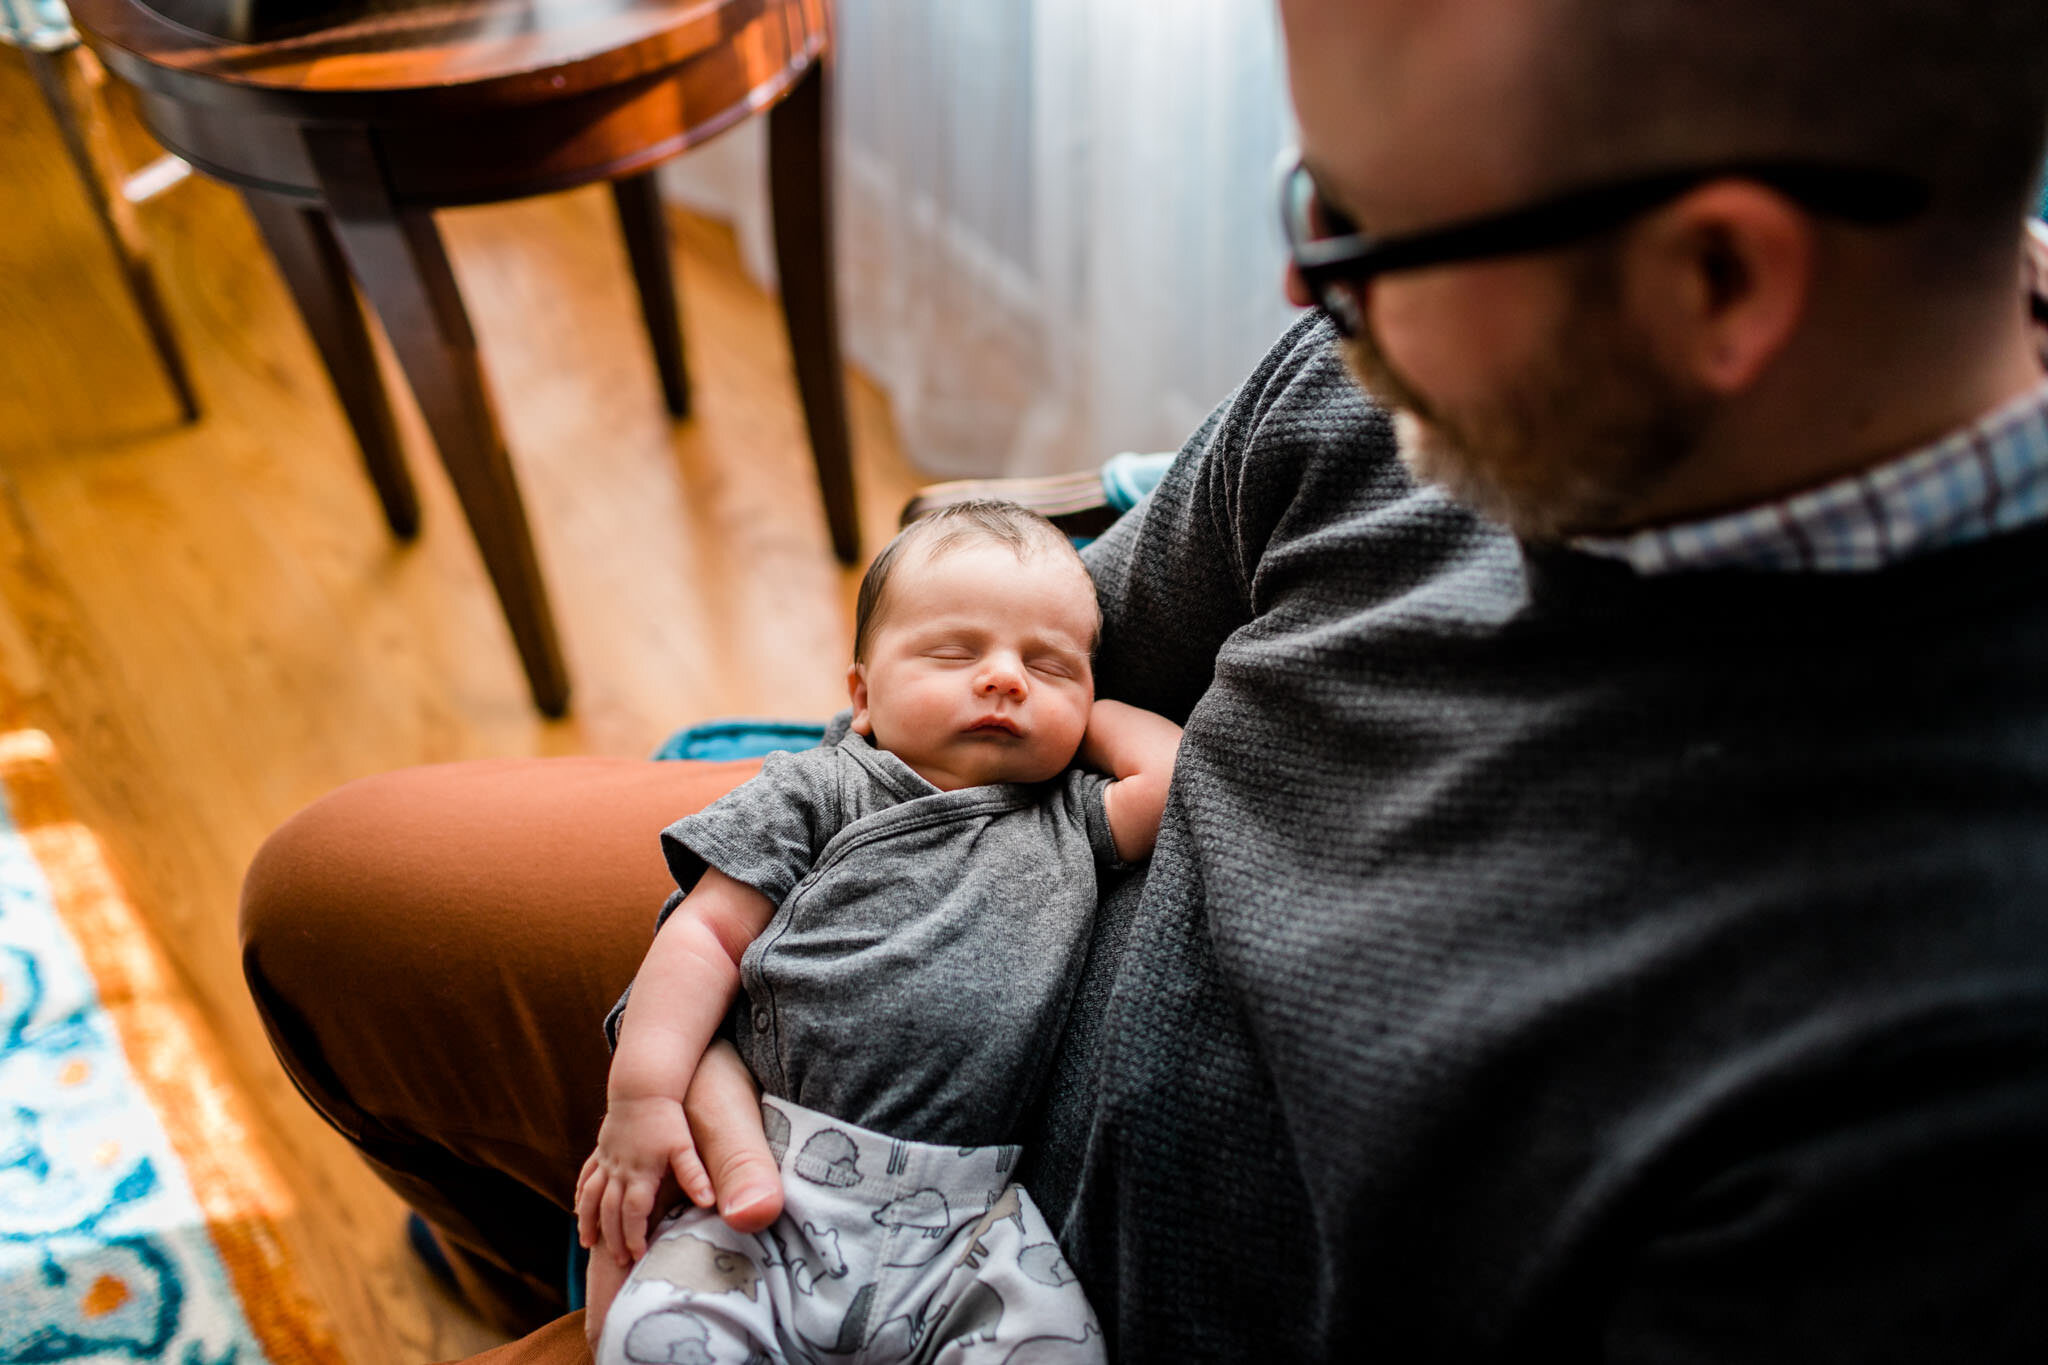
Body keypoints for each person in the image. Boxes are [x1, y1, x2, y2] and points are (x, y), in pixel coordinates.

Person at [239, 1, 2048, 1359]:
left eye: (1353, 229)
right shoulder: (1388, 388)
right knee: (328, 903)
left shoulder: (1932, 1087)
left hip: (1056, 1309)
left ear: (1716, 282)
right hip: (920, 946)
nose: (1291, 288)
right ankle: (519, 1251)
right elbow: (1063, 638)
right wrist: (709, 982)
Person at [577, 502, 1178, 1363]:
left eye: (1048, 666)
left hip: (967, 1224)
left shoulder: (1069, 822)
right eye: (955, 652)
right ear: (860, 696)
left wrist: (1082, 718)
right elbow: (706, 936)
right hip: (773, 1183)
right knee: (655, 1337)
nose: (1006, 678)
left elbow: (1171, 776)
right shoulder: (820, 789)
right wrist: (642, 1095)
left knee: (1057, 1345)